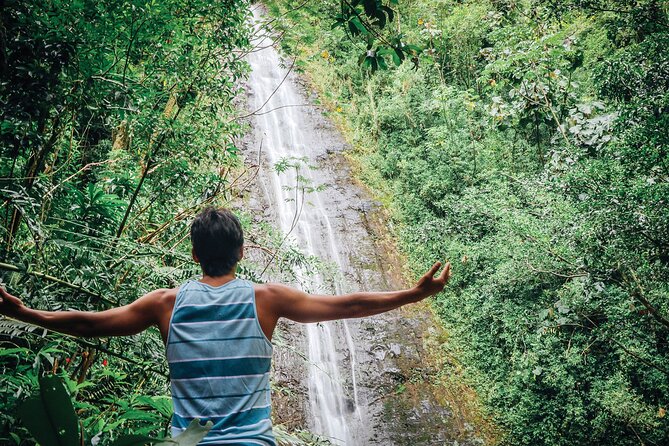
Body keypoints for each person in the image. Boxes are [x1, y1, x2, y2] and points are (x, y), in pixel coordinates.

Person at [0, 206, 451, 446]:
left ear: (194, 255)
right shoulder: (266, 299)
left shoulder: (165, 304)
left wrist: (24, 313)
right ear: (241, 253)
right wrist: (414, 293)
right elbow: (348, 306)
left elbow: (91, 325)